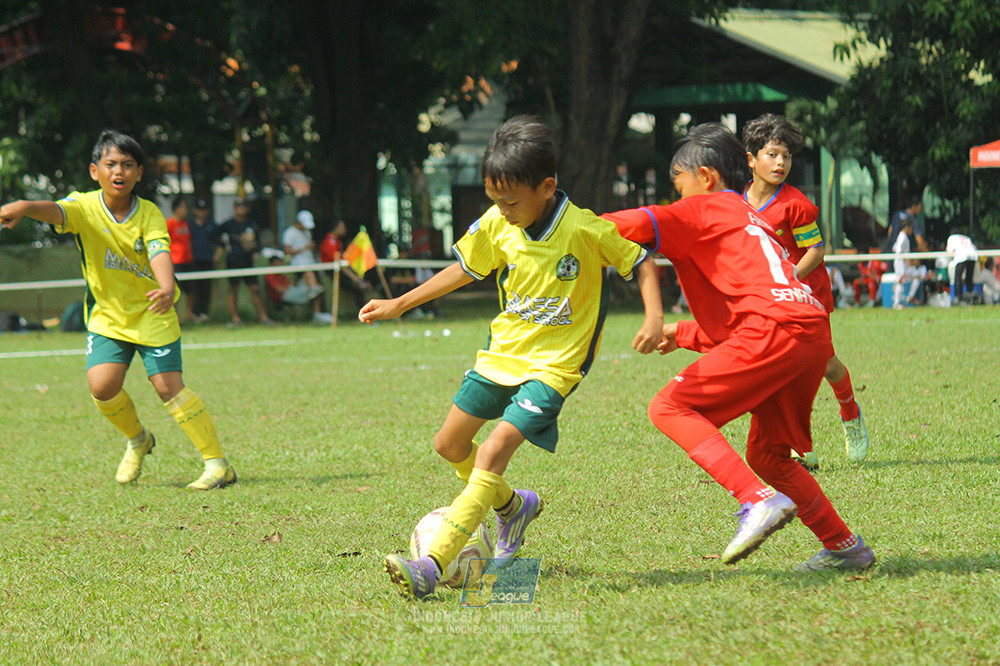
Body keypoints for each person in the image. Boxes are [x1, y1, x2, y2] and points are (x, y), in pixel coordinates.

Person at [359, 115, 664, 598]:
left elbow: (643, 263)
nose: (501, 211)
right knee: (449, 445)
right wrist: (400, 303)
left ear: (547, 187)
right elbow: (463, 268)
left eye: (510, 201)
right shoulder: (498, 223)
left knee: (496, 449)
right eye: (494, 201)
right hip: (501, 357)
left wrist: (653, 319)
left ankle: (432, 567)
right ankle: (513, 507)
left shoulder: (584, 230)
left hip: (554, 367)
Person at [604, 122, 875, 572]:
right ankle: (846, 547)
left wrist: (555, 223)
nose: (678, 195)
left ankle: (755, 499)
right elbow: (744, 313)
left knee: (668, 408)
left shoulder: (702, 210)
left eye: (679, 184)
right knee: (768, 455)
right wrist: (684, 333)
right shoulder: (753, 219)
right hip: (808, 333)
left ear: (706, 178)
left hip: (777, 331)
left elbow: (629, 224)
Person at [0, 129, 237, 490]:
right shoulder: (84, 207)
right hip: (108, 318)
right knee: (102, 386)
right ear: (95, 170)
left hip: (152, 313)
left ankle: (218, 464)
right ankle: (139, 439)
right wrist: (24, 206)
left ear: (139, 173)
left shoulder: (150, 214)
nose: (119, 171)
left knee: (168, 387)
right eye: (111, 164)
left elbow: (159, 251)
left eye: (128, 165)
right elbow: (56, 210)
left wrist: (166, 286)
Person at [742, 114, 869, 468]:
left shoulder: (795, 204)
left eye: (786, 156)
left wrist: (788, 278)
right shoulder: (738, 204)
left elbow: (816, 251)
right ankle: (800, 447)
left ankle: (851, 412)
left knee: (824, 365)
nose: (781, 162)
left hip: (806, 293)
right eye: (772, 154)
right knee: (781, 367)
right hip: (768, 298)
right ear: (751, 159)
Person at [218, 197, 274, 327]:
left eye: (242, 206)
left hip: (247, 261)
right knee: (233, 289)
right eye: (238, 207)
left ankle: (263, 317)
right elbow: (213, 235)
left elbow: (258, 243)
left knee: (255, 289)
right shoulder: (228, 224)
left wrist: (254, 250)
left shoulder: (251, 225)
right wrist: (224, 245)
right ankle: (235, 318)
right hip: (233, 261)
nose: (240, 209)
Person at [282, 209, 328, 323]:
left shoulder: (307, 232)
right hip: (299, 266)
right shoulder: (290, 232)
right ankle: (313, 311)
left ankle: (318, 313)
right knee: (311, 284)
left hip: (311, 263)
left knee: (318, 289)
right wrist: (304, 248)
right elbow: (287, 250)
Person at [262, 250, 332, 321]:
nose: (280, 264)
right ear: (272, 264)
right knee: (317, 290)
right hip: (285, 295)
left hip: (291, 291)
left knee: (309, 274)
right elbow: (279, 290)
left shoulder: (281, 274)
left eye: (280, 262)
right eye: (278, 263)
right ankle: (317, 313)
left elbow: (287, 285)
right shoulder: (270, 275)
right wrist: (290, 286)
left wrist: (291, 285)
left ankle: (314, 291)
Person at [319, 219, 369, 312]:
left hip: (341, 270)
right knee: (357, 286)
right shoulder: (329, 242)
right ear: (335, 228)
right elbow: (340, 263)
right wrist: (355, 279)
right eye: (342, 227)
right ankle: (364, 314)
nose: (345, 230)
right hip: (333, 271)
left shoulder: (337, 241)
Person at [187, 199, 219, 323]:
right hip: (193, 261)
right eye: (199, 210)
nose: (202, 213)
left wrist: (216, 257)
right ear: (195, 211)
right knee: (193, 288)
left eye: (204, 210)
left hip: (207, 260)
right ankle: (193, 313)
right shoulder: (189, 225)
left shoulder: (212, 225)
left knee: (206, 288)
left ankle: (204, 313)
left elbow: (220, 242)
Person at [166, 196, 194, 323]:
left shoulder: (186, 224)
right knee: (176, 290)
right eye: (183, 207)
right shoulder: (170, 224)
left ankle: (189, 314)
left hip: (187, 260)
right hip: (175, 261)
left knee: (190, 289)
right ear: (176, 209)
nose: (186, 210)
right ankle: (175, 315)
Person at [891, 217, 922, 308]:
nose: (911, 230)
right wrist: (906, 260)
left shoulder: (903, 236)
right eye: (911, 228)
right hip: (900, 264)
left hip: (904, 264)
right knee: (900, 281)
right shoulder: (902, 237)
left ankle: (910, 297)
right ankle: (896, 303)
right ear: (907, 227)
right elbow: (898, 251)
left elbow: (894, 248)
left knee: (917, 276)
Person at [945, 231, 979, 304]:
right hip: (973, 255)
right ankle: (970, 293)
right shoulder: (967, 238)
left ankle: (958, 297)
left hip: (962, 256)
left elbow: (949, 250)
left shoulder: (952, 238)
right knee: (969, 276)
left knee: (957, 277)